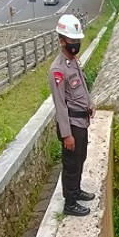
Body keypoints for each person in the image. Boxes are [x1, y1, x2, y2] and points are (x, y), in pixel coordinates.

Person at [48, 14, 95, 217]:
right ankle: (70, 203)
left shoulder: (73, 62)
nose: (75, 44)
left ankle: (76, 191)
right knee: (71, 164)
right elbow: (60, 105)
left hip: (81, 121)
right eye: (72, 41)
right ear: (61, 41)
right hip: (72, 125)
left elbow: (82, 87)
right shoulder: (57, 70)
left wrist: (90, 104)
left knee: (81, 158)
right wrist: (66, 134)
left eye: (77, 40)